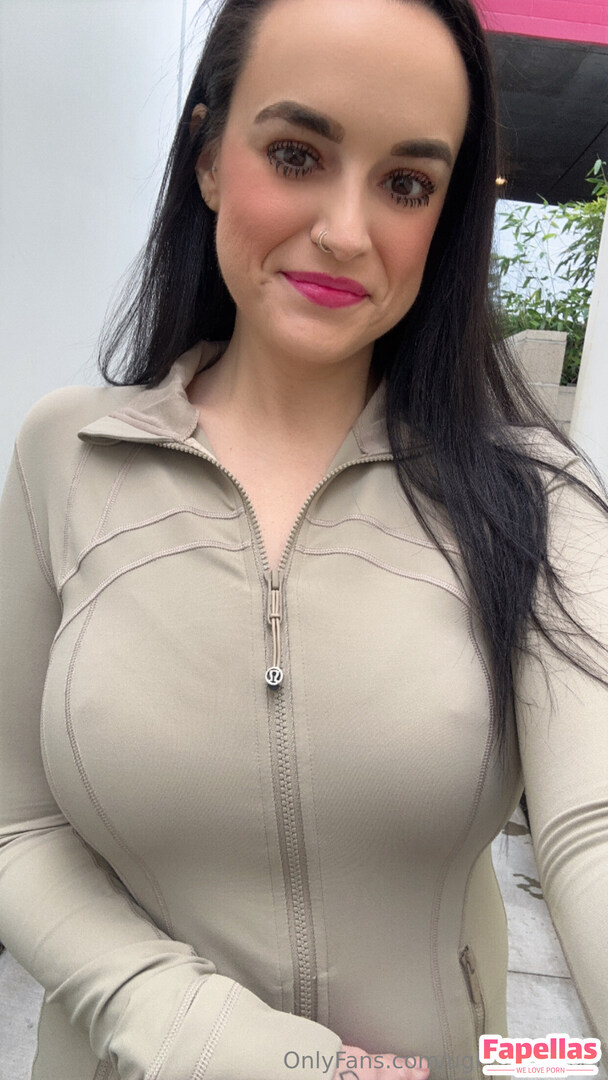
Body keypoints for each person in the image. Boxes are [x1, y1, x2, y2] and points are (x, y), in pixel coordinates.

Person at [1, 0, 607, 1078]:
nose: (345, 230)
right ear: (206, 157)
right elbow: (17, 827)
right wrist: (201, 1035)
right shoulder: (65, 456)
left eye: (406, 183)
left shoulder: (534, 494)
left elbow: (592, 828)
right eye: (296, 155)